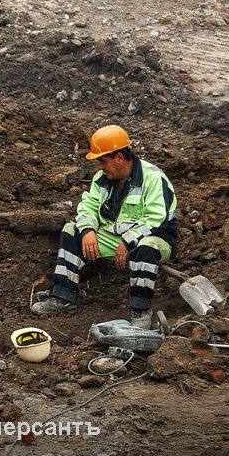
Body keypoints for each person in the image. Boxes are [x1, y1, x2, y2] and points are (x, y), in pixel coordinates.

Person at [31, 125, 179, 329]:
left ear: (119, 157)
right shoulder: (102, 179)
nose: (100, 166)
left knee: (146, 247)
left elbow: (157, 219)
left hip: (156, 240)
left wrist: (128, 241)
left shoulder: (153, 178)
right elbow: (87, 207)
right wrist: (88, 231)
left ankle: (141, 313)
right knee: (70, 230)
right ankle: (64, 297)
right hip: (113, 239)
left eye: (102, 160)